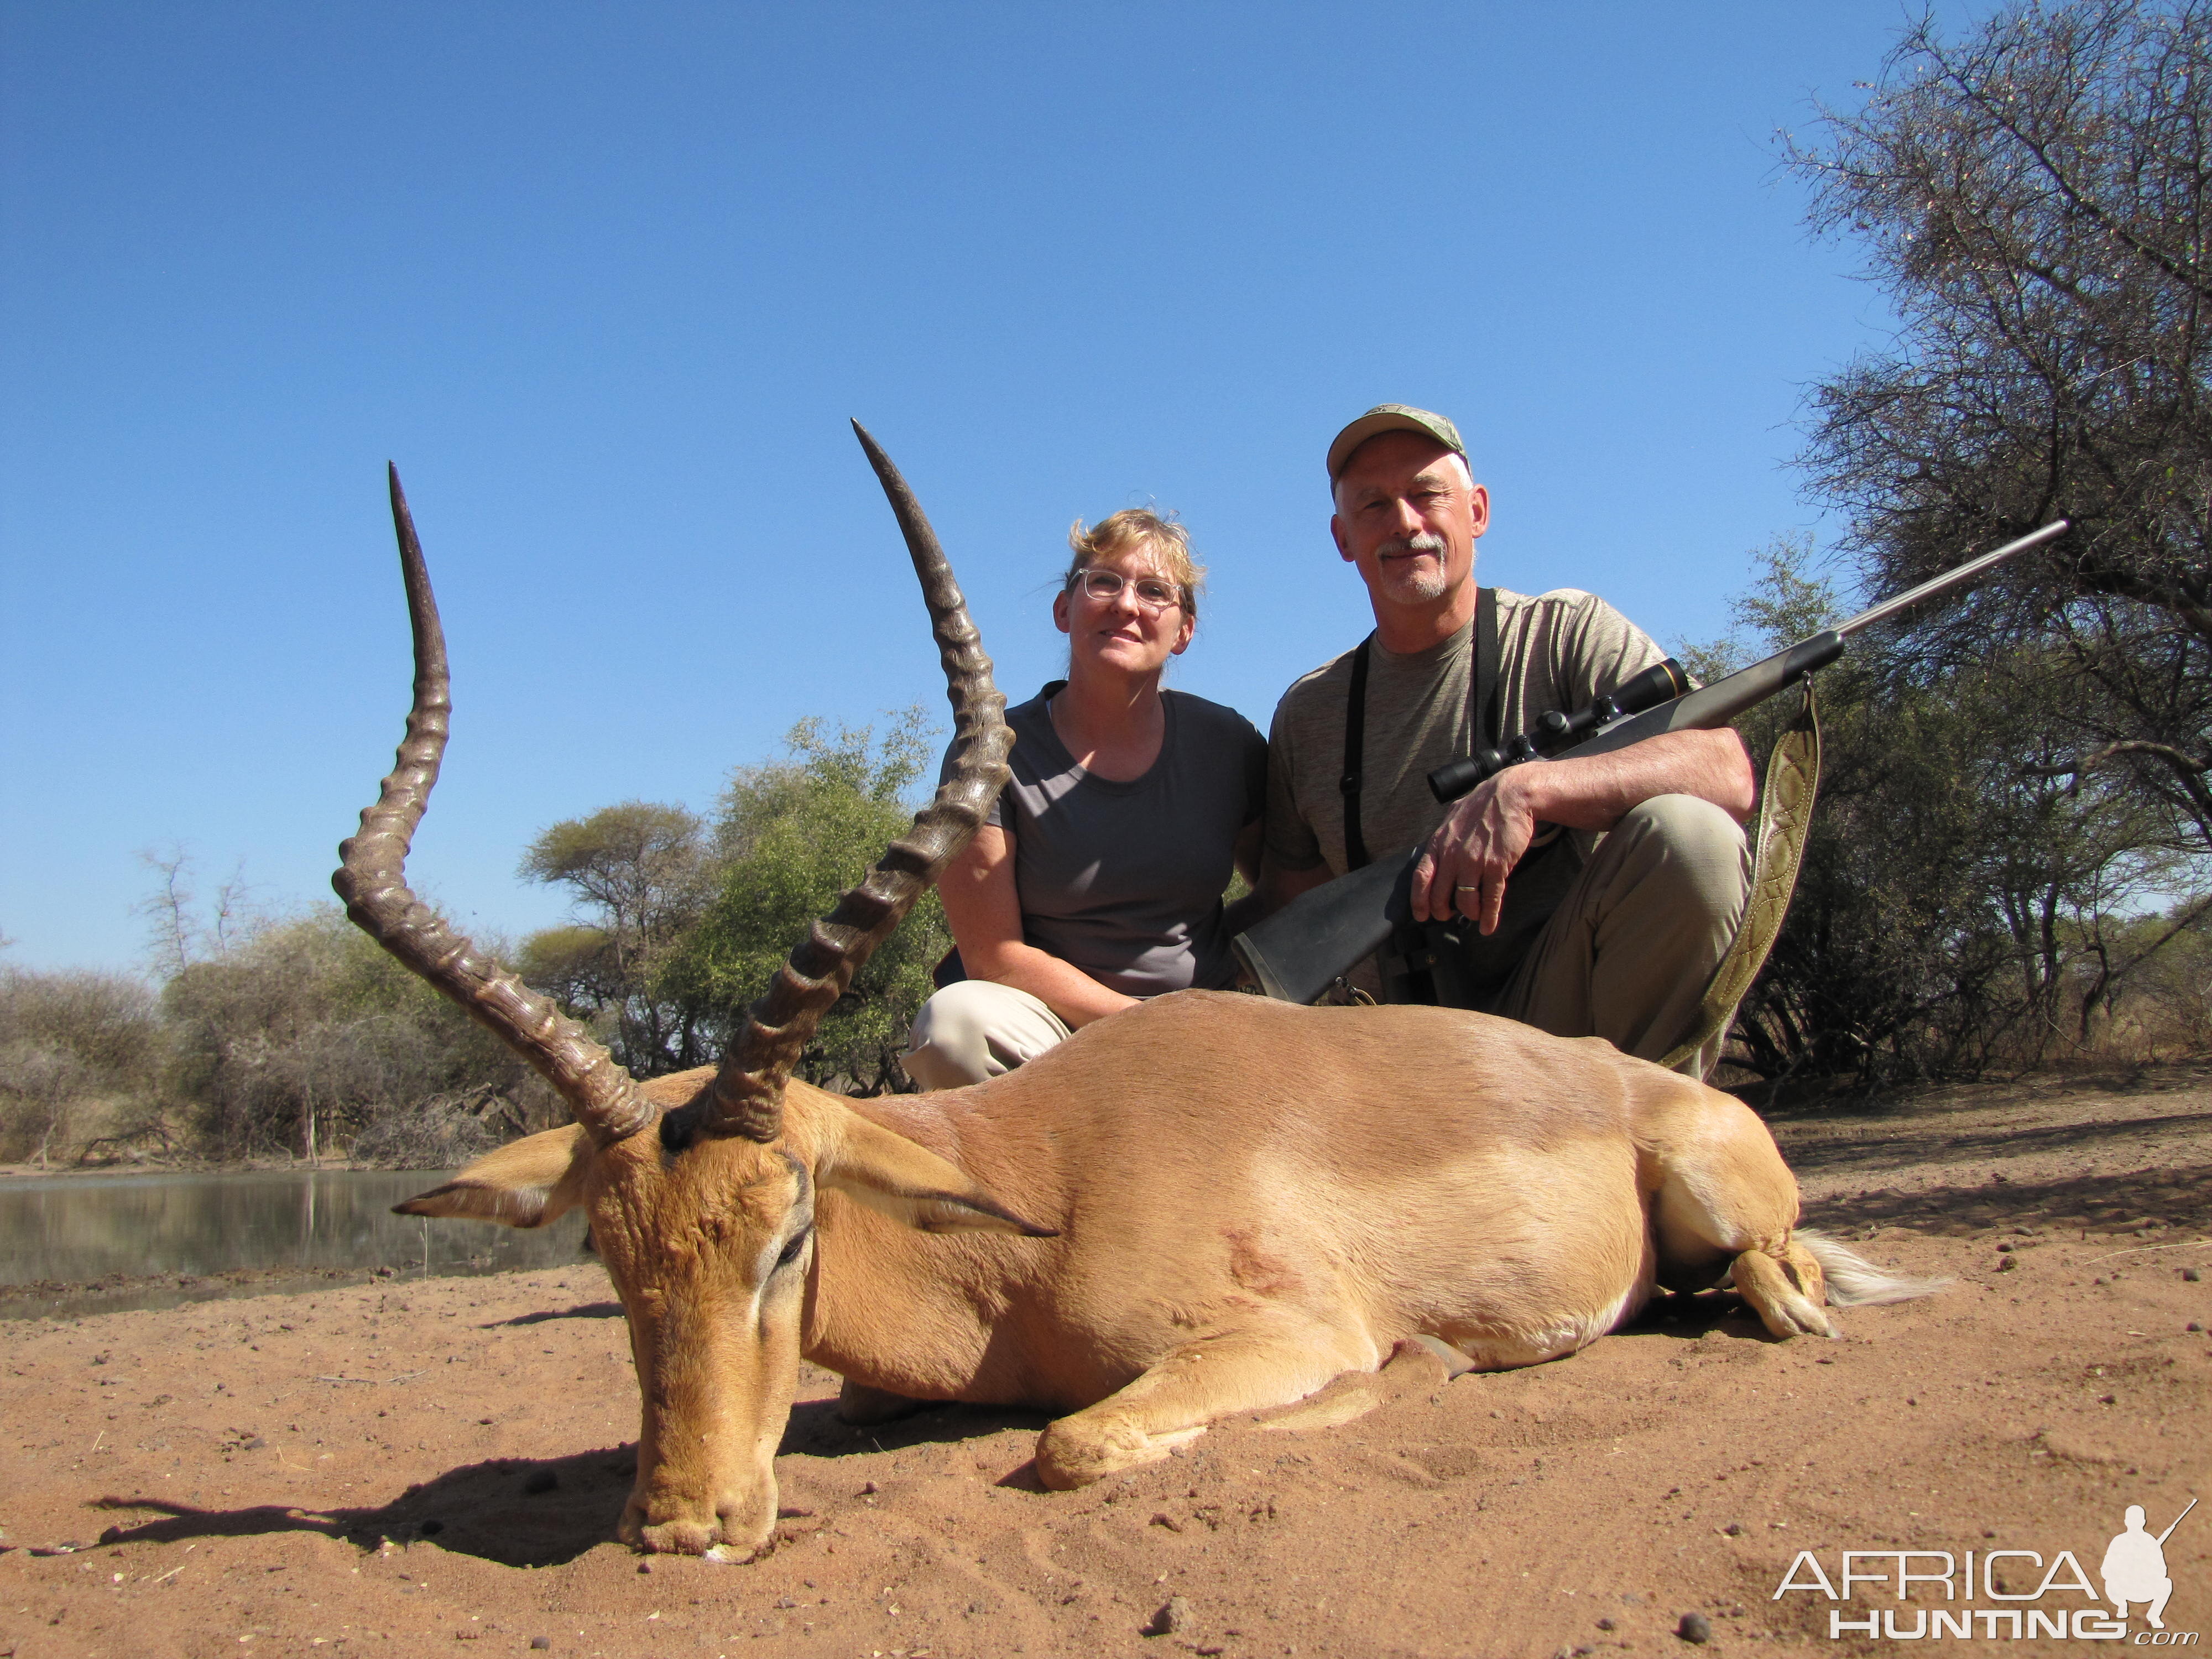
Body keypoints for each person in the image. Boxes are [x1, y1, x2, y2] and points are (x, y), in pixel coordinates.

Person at [1255, 405, 1757, 1076]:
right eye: (1373, 505)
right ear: (1343, 538)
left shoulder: (1566, 630)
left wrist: (1533, 788)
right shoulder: (1307, 712)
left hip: (1567, 1018)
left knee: (1692, 835)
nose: (1404, 522)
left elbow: (1726, 770)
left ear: (1477, 511)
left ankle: (1640, 1141)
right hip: (1402, 1059)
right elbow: (1295, 904)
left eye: (1426, 494)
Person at [902, 508, 1267, 1089]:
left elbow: (1284, 884)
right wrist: (1154, 1027)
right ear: (1064, 609)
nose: (1126, 605)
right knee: (955, 1026)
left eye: (1154, 591)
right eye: (1103, 581)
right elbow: (994, 956)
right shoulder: (991, 757)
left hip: (1211, 1028)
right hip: (1060, 1037)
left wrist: (1226, 987)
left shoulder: (1227, 742)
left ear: (1185, 631)